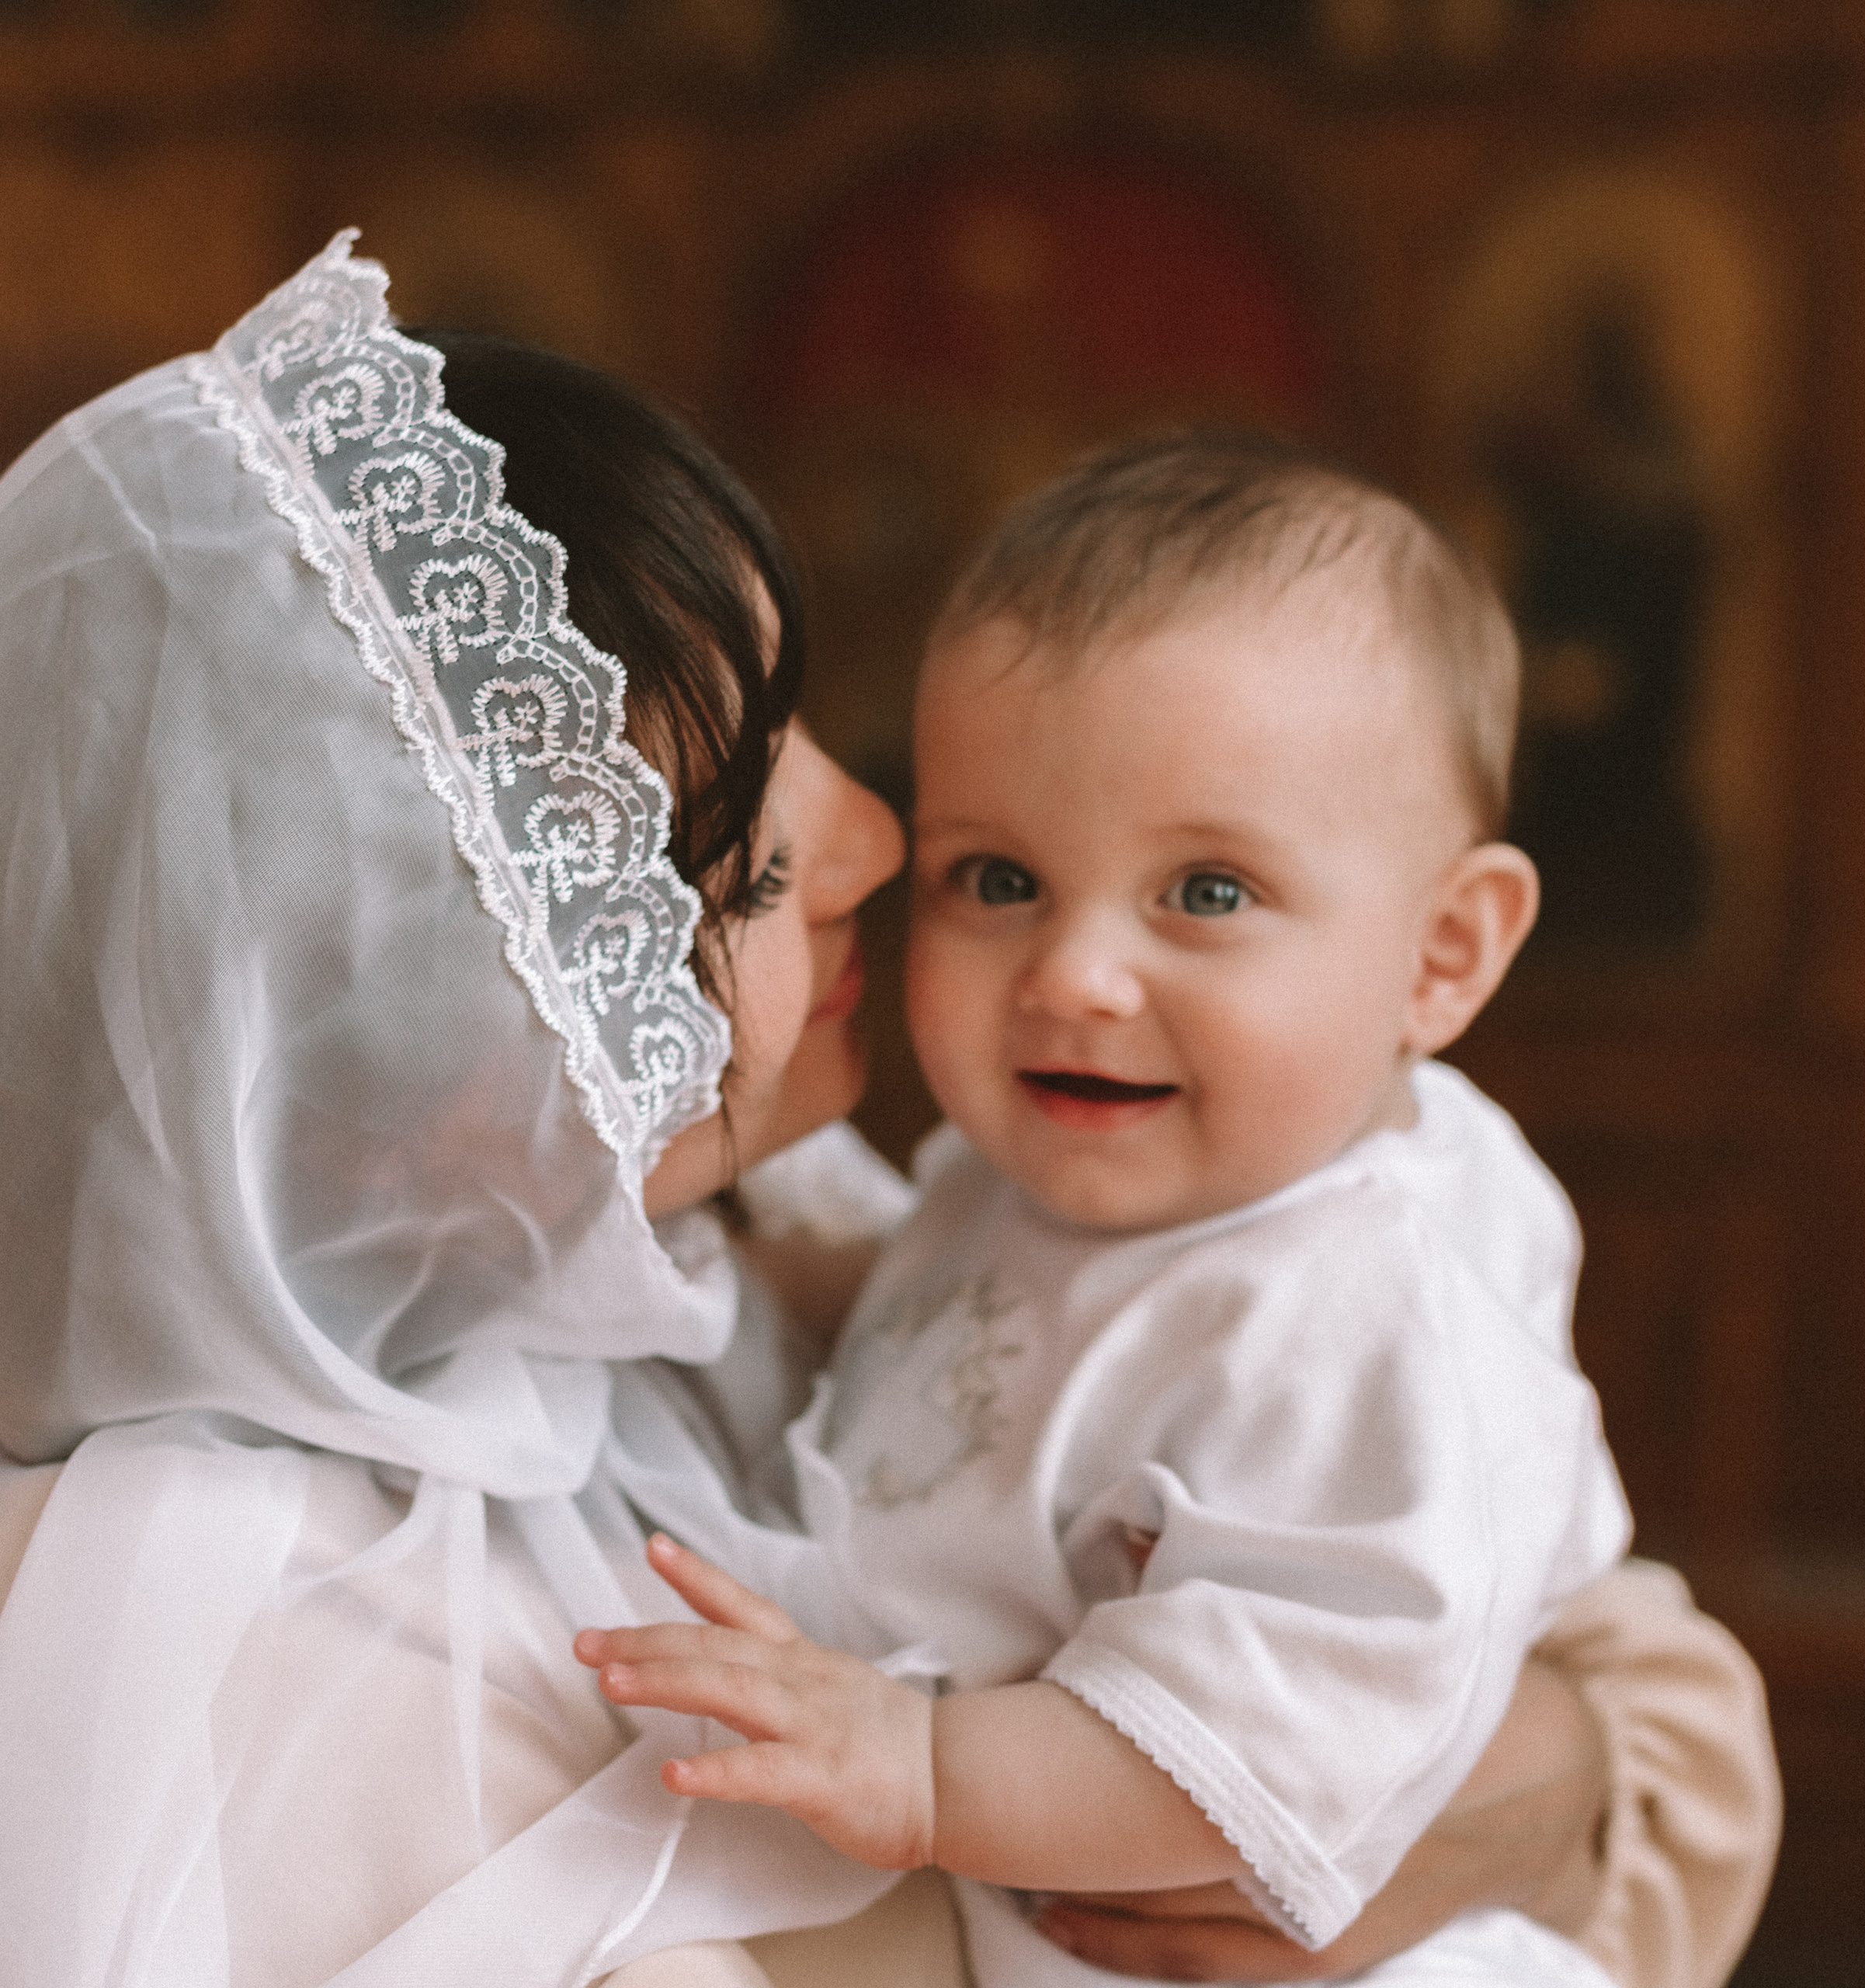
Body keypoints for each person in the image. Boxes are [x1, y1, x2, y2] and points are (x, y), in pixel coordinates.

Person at [0, 238, 1774, 1988]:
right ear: (409, 1073)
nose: (873, 848)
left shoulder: (1238, 1265)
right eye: (748, 862)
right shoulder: (299, 1658)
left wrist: (1550, 1783)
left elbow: (1620, 1692)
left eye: (813, 732)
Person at [571, 434, 1753, 1988]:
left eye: (1204, 891)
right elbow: (961, 1315)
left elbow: (1259, 1740)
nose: (1071, 974)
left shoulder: (1353, 1312)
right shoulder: (1050, 1177)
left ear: (1442, 952)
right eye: (996, 878)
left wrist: (925, 1767)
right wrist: (758, 1282)